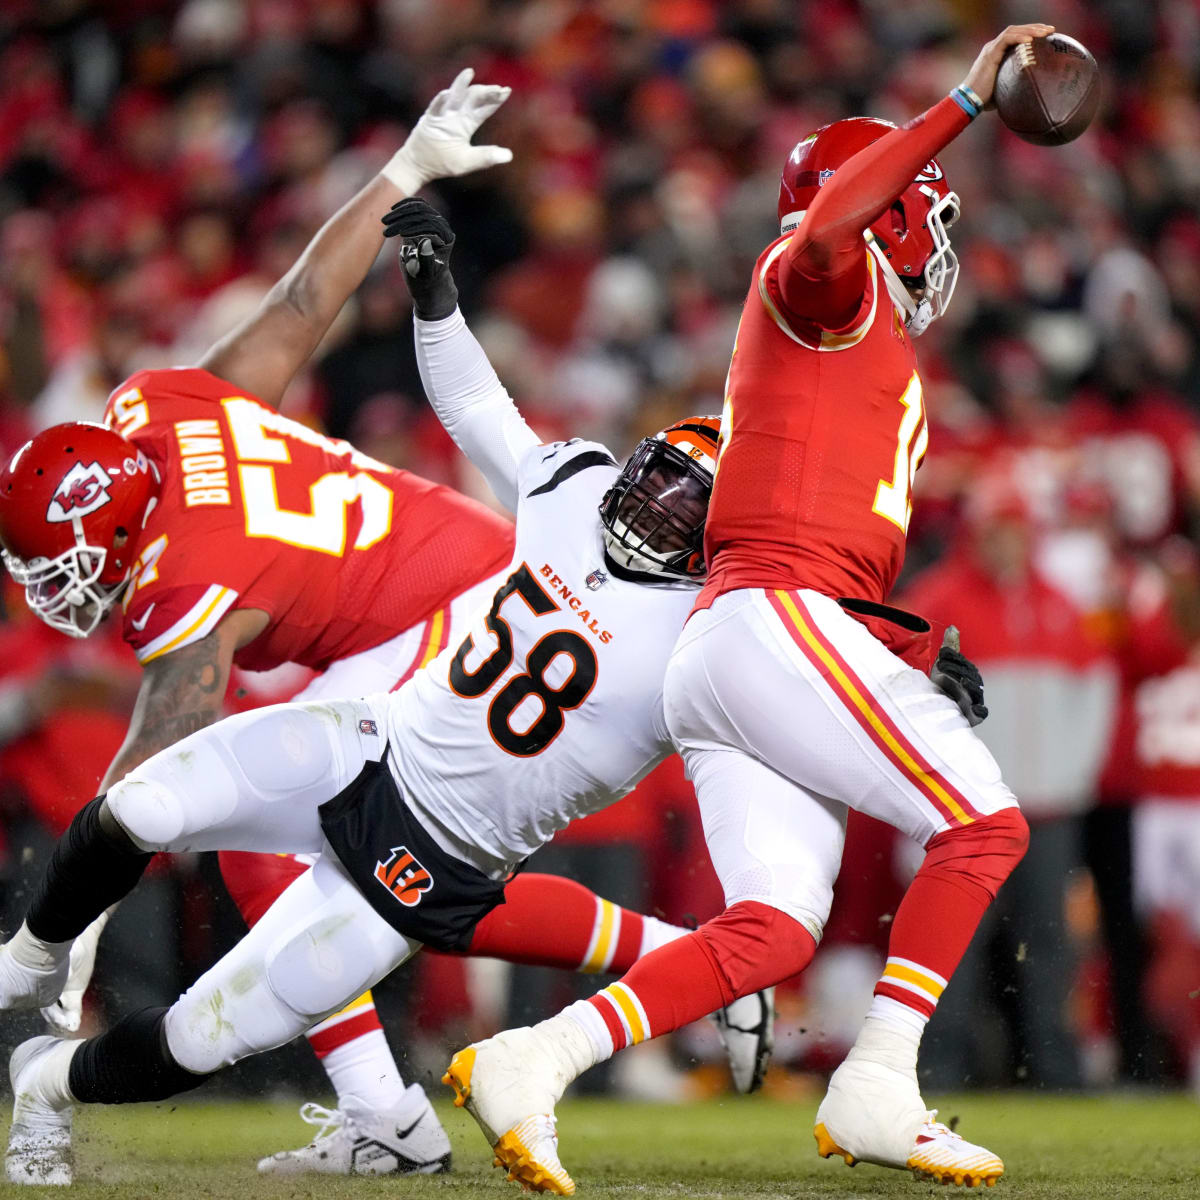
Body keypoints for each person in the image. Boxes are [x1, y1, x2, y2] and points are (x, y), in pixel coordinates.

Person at [0, 72, 764, 1178]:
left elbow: (157, 747)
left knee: (377, 864)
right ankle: (385, 1112)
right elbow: (303, 306)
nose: (48, 586)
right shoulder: (156, 410)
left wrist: (60, 943)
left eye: (50, 561)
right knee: (359, 873)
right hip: (414, 572)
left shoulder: (188, 570)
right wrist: (399, 176)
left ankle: (397, 1097)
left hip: (432, 613)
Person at [443, 25, 1053, 1195]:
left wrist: (901, 646)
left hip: (755, 637)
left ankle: (536, 1055)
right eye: (924, 204)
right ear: (893, 210)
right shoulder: (826, 281)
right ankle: (879, 1079)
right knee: (984, 826)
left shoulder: (853, 333)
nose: (937, 231)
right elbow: (824, 230)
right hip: (773, 622)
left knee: (771, 932)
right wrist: (965, 103)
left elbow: (817, 528)